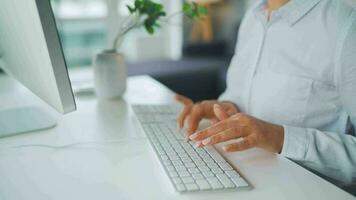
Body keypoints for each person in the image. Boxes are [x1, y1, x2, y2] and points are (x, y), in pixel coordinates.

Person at [176, 0, 356, 191]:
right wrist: (229, 108)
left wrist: (279, 138)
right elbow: (242, 94)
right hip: (237, 177)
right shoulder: (252, 17)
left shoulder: (345, 27)